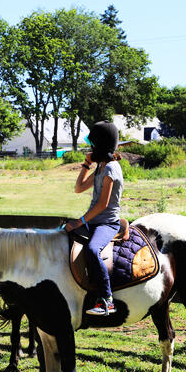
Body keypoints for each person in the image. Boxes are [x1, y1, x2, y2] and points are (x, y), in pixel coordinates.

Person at [64, 120, 124, 316]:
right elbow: (78, 188)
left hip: (107, 223)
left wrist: (79, 221)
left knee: (91, 250)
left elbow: (102, 205)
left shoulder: (111, 169)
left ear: (101, 145)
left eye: (93, 144)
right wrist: (86, 165)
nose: (91, 147)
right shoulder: (100, 167)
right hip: (92, 221)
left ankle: (107, 300)